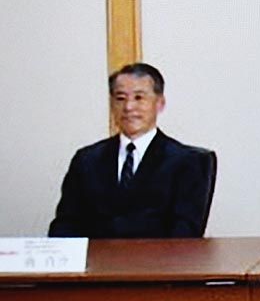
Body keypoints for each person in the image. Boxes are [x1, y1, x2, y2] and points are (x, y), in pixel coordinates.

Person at [48, 63, 215, 238]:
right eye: (120, 98)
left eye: (139, 98)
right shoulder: (87, 159)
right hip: (96, 255)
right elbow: (65, 224)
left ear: (160, 103)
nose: (128, 107)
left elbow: (185, 233)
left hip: (157, 256)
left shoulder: (187, 162)